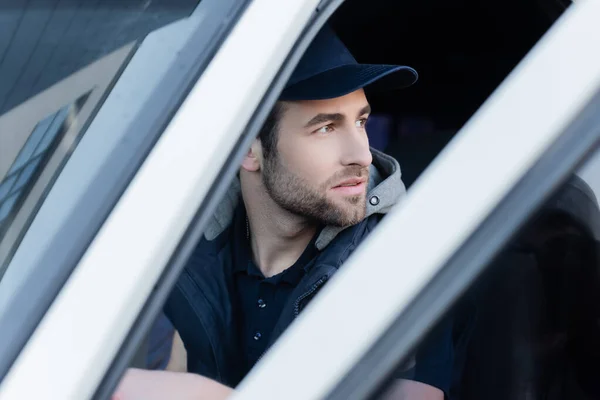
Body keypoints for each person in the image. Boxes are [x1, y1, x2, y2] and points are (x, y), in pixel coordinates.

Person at [113, 24, 457, 400]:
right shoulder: (196, 247)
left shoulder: (397, 258)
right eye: (326, 128)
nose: (362, 154)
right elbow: (177, 367)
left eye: (361, 121)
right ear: (247, 149)